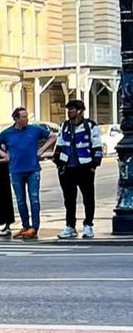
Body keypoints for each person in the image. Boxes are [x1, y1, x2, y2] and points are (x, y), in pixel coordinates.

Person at [0, 107, 52, 238]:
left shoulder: (34, 129)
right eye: (23, 117)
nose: (26, 119)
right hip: (16, 170)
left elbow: (52, 136)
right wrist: (4, 155)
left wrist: (42, 150)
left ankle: (34, 227)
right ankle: (25, 225)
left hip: (33, 169)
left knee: (34, 198)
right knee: (20, 200)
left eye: (26, 116)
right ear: (16, 119)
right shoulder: (8, 133)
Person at [51, 98, 102, 239]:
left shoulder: (90, 126)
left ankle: (88, 225)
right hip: (67, 168)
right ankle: (70, 226)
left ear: (79, 111)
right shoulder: (64, 126)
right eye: (68, 110)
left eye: (72, 109)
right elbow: (60, 145)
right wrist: (59, 163)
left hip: (85, 167)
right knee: (69, 199)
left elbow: (97, 145)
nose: (69, 112)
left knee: (88, 197)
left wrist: (94, 166)